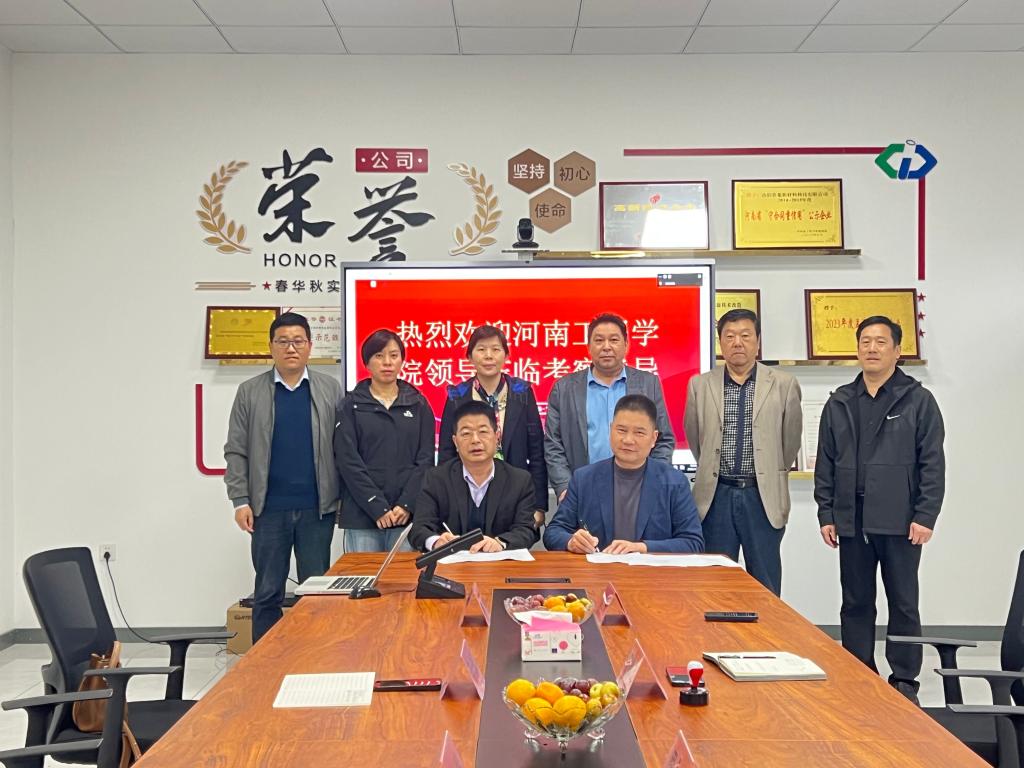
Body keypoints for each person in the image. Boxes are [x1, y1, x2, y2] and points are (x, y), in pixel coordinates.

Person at [814, 315, 945, 704]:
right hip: (851, 519)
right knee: (855, 601)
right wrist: (826, 514)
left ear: (897, 350)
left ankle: (904, 679)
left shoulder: (917, 400)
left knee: (903, 601)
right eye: (865, 342)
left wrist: (925, 515)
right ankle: (858, 672)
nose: (872, 348)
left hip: (900, 520)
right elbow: (826, 462)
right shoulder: (840, 401)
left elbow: (932, 463)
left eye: (880, 342)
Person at [223, 312, 341, 644]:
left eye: (298, 341)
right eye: (283, 341)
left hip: (317, 510)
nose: (291, 348)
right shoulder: (250, 392)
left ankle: (313, 658)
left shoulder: (329, 389)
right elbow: (236, 450)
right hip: (267, 510)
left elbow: (343, 449)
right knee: (267, 591)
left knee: (315, 592)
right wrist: (240, 500)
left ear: (310, 346)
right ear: (271, 346)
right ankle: (265, 664)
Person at [683, 309, 802, 596]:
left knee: (765, 582)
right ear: (720, 342)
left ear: (758, 341)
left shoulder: (783, 384)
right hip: (716, 496)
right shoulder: (700, 385)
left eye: (745, 335)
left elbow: (790, 442)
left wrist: (769, 472)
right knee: (714, 584)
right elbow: (696, 439)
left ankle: (767, 628)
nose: (738, 342)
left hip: (761, 496)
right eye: (730, 336)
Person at [544, 395, 703, 554]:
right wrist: (571, 542)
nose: (628, 440)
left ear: (654, 438)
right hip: (597, 568)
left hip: (648, 569)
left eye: (639, 433)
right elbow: (553, 532)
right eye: (621, 430)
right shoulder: (584, 479)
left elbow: (693, 542)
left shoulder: (675, 482)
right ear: (611, 429)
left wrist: (641, 548)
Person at [544, 312, 674, 502]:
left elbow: (663, 439)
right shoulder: (564, 388)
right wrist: (565, 487)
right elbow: (553, 444)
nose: (606, 347)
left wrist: (653, 482)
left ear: (626, 344)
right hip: (582, 492)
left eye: (614, 340)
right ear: (588, 346)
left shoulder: (648, 384)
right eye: (599, 340)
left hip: (638, 491)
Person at [437, 325, 548, 530]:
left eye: (496, 349)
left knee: (511, 546)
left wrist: (539, 505)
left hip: (514, 494)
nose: (489, 355)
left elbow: (537, 453)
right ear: (470, 357)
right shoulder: (457, 395)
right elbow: (446, 452)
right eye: (481, 349)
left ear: (506, 355)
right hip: (468, 494)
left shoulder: (522, 392)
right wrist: (444, 502)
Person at [334, 329, 434, 552]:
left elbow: (426, 460)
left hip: (405, 516)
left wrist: (406, 504)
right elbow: (348, 461)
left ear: (402, 361)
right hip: (362, 515)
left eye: (394, 355)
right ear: (366, 363)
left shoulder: (418, 404)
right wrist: (376, 505)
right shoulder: (350, 405)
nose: (387, 362)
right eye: (379, 356)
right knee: (365, 574)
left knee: (403, 574)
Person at [411, 400, 539, 553]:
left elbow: (527, 530)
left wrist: (500, 543)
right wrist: (436, 541)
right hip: (451, 564)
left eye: (483, 432)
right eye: (466, 433)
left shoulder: (519, 480)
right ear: (455, 442)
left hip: (500, 564)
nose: (475, 440)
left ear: (497, 436)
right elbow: (419, 529)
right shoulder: (436, 479)